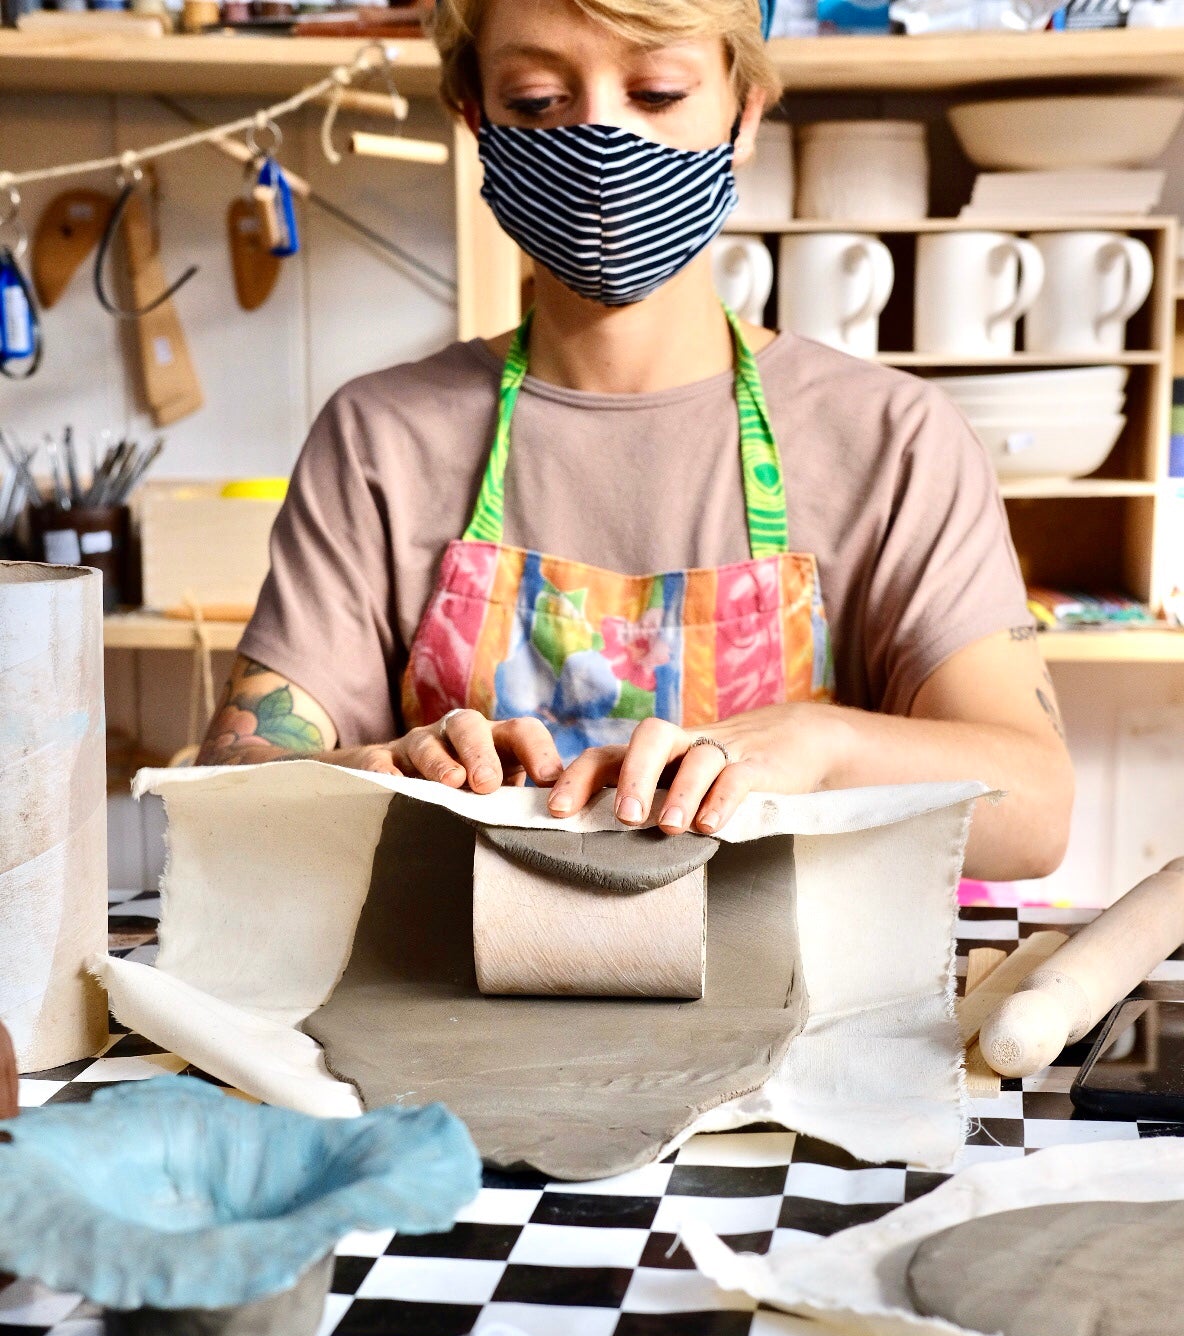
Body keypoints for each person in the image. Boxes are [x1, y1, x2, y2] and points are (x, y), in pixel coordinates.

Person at [197, 0, 1074, 882]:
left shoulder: (893, 443)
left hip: (791, 1012)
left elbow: (1034, 815)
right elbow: (228, 801)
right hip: (454, 1005)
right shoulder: (381, 440)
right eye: (538, 102)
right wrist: (374, 777)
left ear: (746, 111)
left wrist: (820, 745)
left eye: (656, 92)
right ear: (476, 118)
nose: (603, 146)